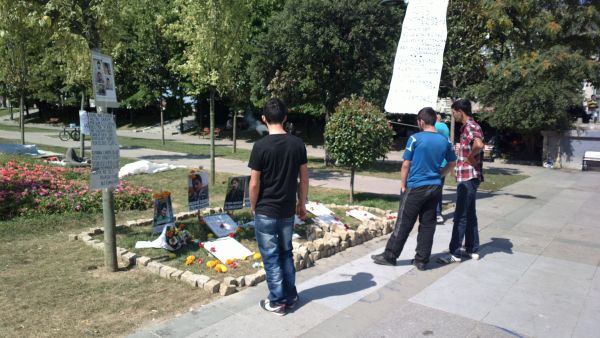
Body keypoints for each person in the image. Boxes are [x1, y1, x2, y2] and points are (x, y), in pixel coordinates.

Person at [371, 107, 456, 271]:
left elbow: (405, 164)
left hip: (416, 187)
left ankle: (390, 255)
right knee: (428, 224)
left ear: (421, 122)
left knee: (404, 222)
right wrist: (440, 175)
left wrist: (403, 184)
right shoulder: (445, 141)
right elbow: (452, 163)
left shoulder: (415, 139)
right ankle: (422, 260)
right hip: (435, 187)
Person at [248, 98, 309, 315]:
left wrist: (252, 206)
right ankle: (290, 296)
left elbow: (254, 182)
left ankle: (277, 301)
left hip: (266, 209)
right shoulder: (297, 144)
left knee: (271, 256)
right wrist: (302, 203)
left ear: (264, 119)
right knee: (286, 253)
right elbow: (304, 178)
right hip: (286, 210)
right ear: (285, 117)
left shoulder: (260, 146)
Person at [438, 99, 484, 264]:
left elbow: (478, 144)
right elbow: (475, 144)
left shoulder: (470, 126)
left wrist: (470, 159)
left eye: (453, 112)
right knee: (470, 214)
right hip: (471, 177)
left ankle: (455, 253)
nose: (453, 115)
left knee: (460, 215)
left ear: (459, 111)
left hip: (468, 177)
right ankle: (472, 249)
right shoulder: (470, 126)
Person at [434, 112, 450, 224]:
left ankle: (436, 213)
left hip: (436, 163)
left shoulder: (436, 126)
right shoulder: (445, 127)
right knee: (439, 189)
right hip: (444, 163)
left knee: (433, 190)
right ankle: (438, 213)